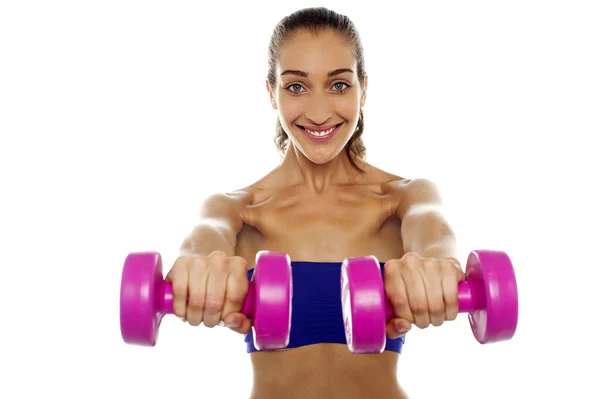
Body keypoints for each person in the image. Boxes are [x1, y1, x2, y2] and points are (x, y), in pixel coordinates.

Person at [166, 7, 466, 399]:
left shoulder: (403, 198)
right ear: (271, 92)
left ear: (364, 88)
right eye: (296, 87)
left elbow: (434, 233)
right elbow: (203, 241)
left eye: (339, 85)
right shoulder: (237, 209)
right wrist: (198, 271)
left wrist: (435, 270)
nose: (320, 111)